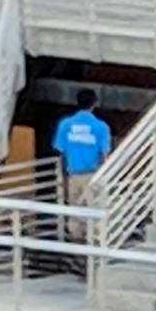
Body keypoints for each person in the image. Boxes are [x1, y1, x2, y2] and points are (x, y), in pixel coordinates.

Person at [51, 89, 112, 232]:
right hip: (93, 175)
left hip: (73, 175)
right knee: (95, 214)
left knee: (75, 214)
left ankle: (76, 247)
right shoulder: (101, 127)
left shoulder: (66, 125)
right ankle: (94, 245)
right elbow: (104, 153)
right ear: (95, 103)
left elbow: (61, 151)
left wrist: (63, 176)